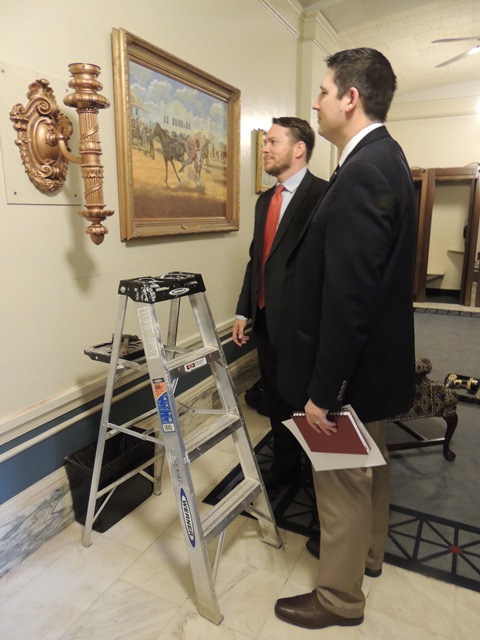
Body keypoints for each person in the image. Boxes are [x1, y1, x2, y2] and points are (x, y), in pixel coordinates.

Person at [273, 48, 417, 630]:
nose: (315, 101)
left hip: (348, 372)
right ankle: (369, 555)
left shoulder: (363, 171)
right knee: (371, 470)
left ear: (350, 98)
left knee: (341, 485)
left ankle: (338, 598)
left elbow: (349, 300)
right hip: (377, 365)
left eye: (324, 91)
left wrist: (324, 392)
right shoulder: (387, 158)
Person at [233, 117, 328, 497]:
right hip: (266, 323)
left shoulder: (323, 196)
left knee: (309, 407)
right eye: (265, 143)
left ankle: (322, 482)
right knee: (275, 401)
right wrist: (244, 310)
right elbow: (257, 260)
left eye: (273, 142)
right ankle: (286, 468)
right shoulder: (263, 202)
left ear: (299, 148)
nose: (265, 150)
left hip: (307, 328)